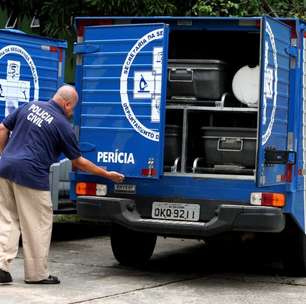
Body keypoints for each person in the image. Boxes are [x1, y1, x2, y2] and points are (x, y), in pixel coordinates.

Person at [0, 85, 124, 285]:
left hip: (4, 169)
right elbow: (78, 162)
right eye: (72, 108)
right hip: (32, 175)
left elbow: (2, 128)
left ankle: (1, 267)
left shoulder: (29, 106)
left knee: (7, 219)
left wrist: (6, 155)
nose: (72, 112)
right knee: (38, 224)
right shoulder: (63, 126)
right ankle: (37, 274)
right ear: (66, 104)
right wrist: (106, 174)